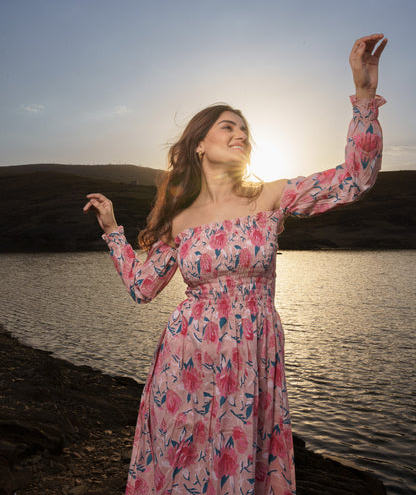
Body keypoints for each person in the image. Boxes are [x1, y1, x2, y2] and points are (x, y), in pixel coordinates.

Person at [83, 33, 387, 495]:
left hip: (252, 351)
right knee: (181, 463)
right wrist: (112, 230)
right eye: (227, 127)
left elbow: (355, 180)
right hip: (185, 357)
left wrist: (364, 95)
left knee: (240, 465)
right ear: (199, 145)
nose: (240, 134)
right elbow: (143, 287)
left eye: (244, 129)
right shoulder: (178, 220)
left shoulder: (269, 197)